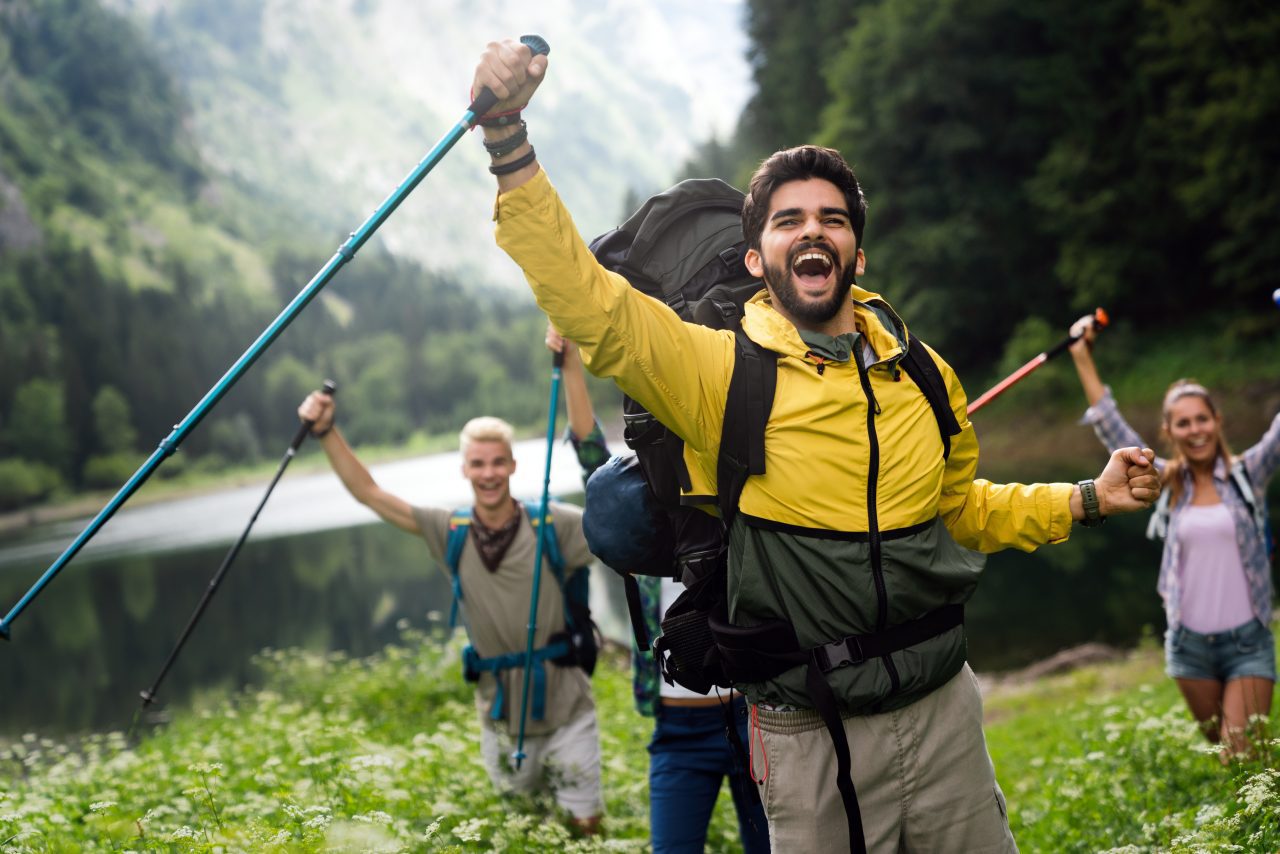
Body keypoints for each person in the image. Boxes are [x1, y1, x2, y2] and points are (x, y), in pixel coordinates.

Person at [470, 39, 1160, 852]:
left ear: (856, 254)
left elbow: (959, 510)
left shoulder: (923, 374)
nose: (813, 232)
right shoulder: (716, 373)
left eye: (832, 219)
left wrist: (1087, 498)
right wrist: (508, 136)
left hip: (946, 714)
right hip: (808, 736)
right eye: (788, 219)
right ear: (758, 256)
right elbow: (591, 303)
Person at [296, 391, 603, 833]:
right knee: (527, 831)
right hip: (499, 718)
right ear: (465, 470)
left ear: (513, 465)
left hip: (569, 710)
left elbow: (617, 528)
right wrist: (325, 431)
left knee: (585, 826)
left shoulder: (554, 524)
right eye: (478, 464)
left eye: (498, 462)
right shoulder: (449, 532)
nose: (489, 473)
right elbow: (369, 494)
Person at [548, 325, 771, 854]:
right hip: (676, 733)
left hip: (756, 718)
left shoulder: (729, 488)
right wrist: (572, 362)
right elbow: (589, 457)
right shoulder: (637, 506)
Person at [1068, 315, 1278, 755]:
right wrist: (1081, 355)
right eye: (1182, 423)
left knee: (1240, 752)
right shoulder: (1167, 480)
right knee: (1225, 754)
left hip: (1249, 640)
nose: (1194, 429)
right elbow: (1112, 430)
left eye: (1202, 418)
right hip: (1189, 646)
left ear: (1217, 421)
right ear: (1169, 432)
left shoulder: (1247, 474)